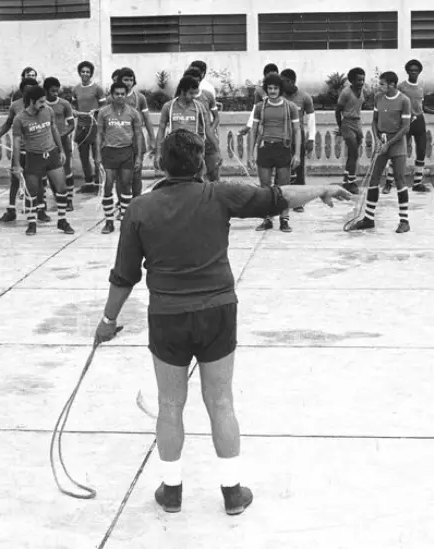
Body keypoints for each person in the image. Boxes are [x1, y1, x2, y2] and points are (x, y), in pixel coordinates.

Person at [93, 128, 351, 515]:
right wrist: (322, 190)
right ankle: (232, 492)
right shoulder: (220, 194)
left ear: (161, 163)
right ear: (201, 163)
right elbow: (276, 198)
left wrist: (107, 320)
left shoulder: (139, 209)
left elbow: (124, 275)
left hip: (167, 316)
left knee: (169, 403)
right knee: (221, 401)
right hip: (217, 312)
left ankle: (173, 490)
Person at [345, 71, 412, 234]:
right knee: (373, 179)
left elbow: (405, 127)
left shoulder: (404, 100)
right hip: (381, 143)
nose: (379, 86)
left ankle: (404, 221)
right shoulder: (378, 98)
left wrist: (388, 144)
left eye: (382, 84)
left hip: (396, 144)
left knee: (400, 179)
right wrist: (377, 139)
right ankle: (368, 219)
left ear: (392, 85)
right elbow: (374, 121)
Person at [11, 85, 75, 235]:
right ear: (32, 101)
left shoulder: (48, 111)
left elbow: (54, 129)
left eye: (44, 101)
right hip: (33, 157)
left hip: (51, 154)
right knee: (32, 192)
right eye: (40, 102)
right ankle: (32, 223)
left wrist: (60, 150)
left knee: (62, 188)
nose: (43, 104)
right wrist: (16, 165)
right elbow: (16, 143)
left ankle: (62, 220)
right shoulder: (19, 119)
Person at [383, 59, 434, 194]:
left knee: (421, 152)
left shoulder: (420, 88)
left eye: (416, 70)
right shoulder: (401, 87)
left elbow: (421, 107)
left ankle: (417, 183)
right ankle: (389, 183)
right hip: (406, 123)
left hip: (419, 122)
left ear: (419, 71)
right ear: (407, 71)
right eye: (411, 70)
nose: (413, 72)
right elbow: (395, 105)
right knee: (398, 153)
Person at [247, 74, 302, 233]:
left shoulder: (290, 106)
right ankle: (267, 219)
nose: (272, 91)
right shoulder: (260, 107)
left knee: (283, 188)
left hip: (283, 148)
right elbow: (254, 131)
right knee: (265, 188)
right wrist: (250, 154)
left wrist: (297, 154)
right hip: (265, 148)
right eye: (269, 88)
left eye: (275, 88)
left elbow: (297, 131)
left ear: (280, 89)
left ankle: (284, 220)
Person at [0, 77, 45, 223]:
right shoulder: (15, 106)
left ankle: (40, 209)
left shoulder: (41, 105)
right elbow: (8, 123)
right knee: (15, 179)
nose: (29, 91)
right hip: (19, 150)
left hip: (36, 150)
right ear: (22, 90)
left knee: (37, 181)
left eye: (32, 88)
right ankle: (11, 209)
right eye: (26, 88)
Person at [95, 80, 143, 234]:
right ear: (111, 95)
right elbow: (99, 134)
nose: (120, 97)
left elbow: (139, 136)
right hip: (109, 152)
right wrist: (97, 155)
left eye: (123, 94)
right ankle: (109, 221)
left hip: (127, 152)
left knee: (126, 185)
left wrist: (139, 157)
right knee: (108, 186)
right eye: (117, 94)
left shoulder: (133, 112)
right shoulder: (104, 112)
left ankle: (124, 220)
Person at [154, 76, 219, 183]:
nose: (194, 96)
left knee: (197, 182)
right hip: (175, 151)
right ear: (183, 91)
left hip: (194, 151)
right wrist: (158, 153)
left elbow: (208, 130)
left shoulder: (199, 107)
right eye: (191, 93)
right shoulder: (168, 107)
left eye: (195, 93)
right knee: (175, 181)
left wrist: (217, 151)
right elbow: (161, 130)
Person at [113, 68, 155, 198]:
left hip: (136, 141)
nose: (129, 82)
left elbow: (147, 119)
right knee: (120, 177)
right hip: (118, 142)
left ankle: (136, 203)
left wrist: (152, 139)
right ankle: (121, 204)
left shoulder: (140, 98)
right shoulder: (112, 98)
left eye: (131, 80)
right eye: (126, 79)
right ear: (119, 80)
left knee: (136, 175)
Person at [72, 61, 107, 194]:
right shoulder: (76, 89)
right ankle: (88, 183)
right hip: (82, 127)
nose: (85, 74)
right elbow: (73, 107)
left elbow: (104, 107)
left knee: (97, 156)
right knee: (84, 157)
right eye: (83, 71)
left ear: (91, 74)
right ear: (79, 73)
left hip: (95, 126)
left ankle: (98, 183)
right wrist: (75, 112)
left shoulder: (97, 89)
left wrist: (96, 111)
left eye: (88, 72)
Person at [44, 77, 76, 211]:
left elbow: (72, 125)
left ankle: (69, 200)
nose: (55, 94)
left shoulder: (64, 104)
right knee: (48, 172)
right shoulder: (41, 105)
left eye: (57, 91)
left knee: (66, 170)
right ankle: (56, 196)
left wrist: (62, 135)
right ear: (46, 91)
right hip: (46, 143)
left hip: (62, 141)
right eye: (52, 91)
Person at [280, 69, 315, 193]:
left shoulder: (305, 97)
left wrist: (311, 139)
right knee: (283, 167)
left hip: (298, 137)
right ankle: (284, 195)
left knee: (298, 166)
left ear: (292, 81)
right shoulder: (278, 97)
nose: (281, 84)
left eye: (283, 81)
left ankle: (299, 199)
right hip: (282, 136)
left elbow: (311, 119)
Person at [336, 67, 367, 195]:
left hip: (357, 123)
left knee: (353, 155)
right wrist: (341, 127)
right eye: (358, 80)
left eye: (363, 79)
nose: (361, 82)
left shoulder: (362, 91)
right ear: (352, 80)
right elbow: (337, 111)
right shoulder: (346, 93)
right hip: (347, 123)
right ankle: (352, 183)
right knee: (353, 151)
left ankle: (346, 180)